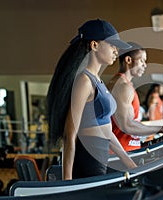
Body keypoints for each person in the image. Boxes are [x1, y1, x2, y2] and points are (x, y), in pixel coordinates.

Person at [47, 19, 137, 180]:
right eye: (112, 45)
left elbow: (106, 130)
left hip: (99, 158)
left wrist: (128, 162)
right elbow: (69, 134)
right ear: (94, 45)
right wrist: (67, 182)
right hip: (87, 160)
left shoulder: (97, 80)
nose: (116, 51)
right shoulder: (84, 81)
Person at [107, 42, 163, 152]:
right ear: (128, 60)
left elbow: (129, 131)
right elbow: (127, 126)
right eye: (142, 61)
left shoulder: (124, 84)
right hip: (121, 154)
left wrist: (156, 140)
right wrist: (162, 129)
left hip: (128, 150)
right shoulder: (123, 86)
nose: (145, 65)